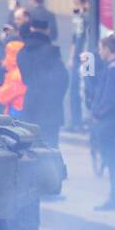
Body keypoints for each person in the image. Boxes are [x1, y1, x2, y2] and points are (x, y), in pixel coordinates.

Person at [90, 35, 115, 209]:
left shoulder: (114, 69)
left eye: (100, 48)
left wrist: (98, 113)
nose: (99, 52)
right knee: (113, 159)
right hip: (109, 118)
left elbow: (109, 97)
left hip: (107, 119)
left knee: (112, 159)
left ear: (107, 49)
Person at [17, 17, 68, 148]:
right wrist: (56, 99)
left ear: (32, 29)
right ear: (47, 30)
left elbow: (25, 79)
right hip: (50, 110)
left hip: (30, 107)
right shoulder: (51, 51)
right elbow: (63, 79)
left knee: (30, 149)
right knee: (49, 149)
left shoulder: (21, 53)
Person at [68, 0, 90, 130]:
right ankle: (78, 121)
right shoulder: (82, 16)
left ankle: (79, 122)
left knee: (78, 89)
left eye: (76, 1)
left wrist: (71, 58)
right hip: (84, 57)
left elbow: (78, 39)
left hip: (83, 57)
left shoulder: (84, 17)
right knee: (78, 89)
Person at [0, 39, 26, 115]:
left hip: (17, 111)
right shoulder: (23, 70)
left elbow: (3, 97)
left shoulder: (16, 75)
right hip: (20, 110)